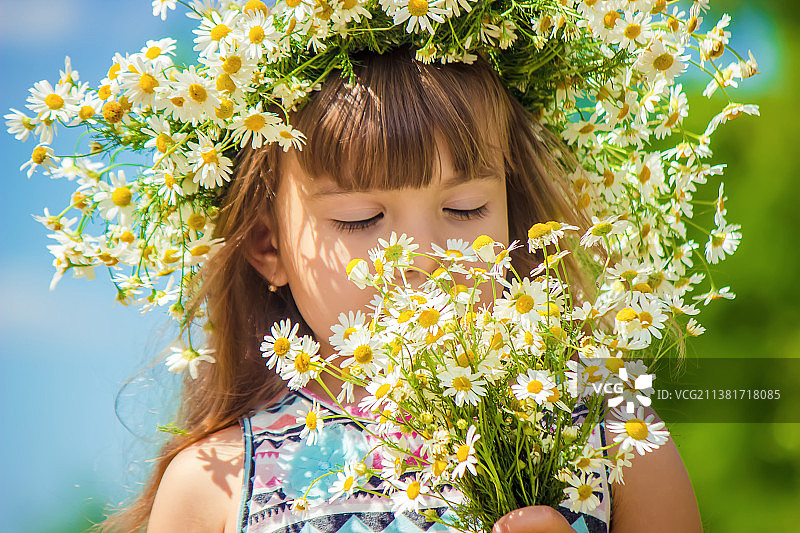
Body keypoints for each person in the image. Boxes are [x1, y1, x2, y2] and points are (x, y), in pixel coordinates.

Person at [93, 47, 702, 533]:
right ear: (266, 247)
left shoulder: (607, 419)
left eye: (465, 208)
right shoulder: (214, 482)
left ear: (513, 217)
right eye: (360, 219)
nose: (424, 257)